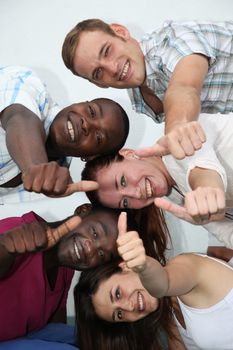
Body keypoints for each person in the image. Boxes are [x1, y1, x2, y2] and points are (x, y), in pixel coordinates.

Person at [62, 18, 233, 159]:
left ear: (120, 32)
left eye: (107, 51)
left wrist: (176, 126)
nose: (112, 68)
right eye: (98, 72)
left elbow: (184, 87)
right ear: (99, 84)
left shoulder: (170, 42)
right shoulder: (139, 98)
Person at [75, 212, 233, 349]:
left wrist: (143, 265)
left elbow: (164, 282)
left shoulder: (185, 267)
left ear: (125, 266)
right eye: (119, 314)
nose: (129, 307)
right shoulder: (172, 317)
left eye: (117, 294)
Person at [81, 111, 233, 250]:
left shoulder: (179, 136)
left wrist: (207, 189)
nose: (135, 194)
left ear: (128, 154)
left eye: (122, 181)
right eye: (125, 202)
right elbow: (227, 233)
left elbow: (202, 170)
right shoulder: (175, 198)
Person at [0, 203, 138, 348]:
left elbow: (56, 325)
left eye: (102, 254)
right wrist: (5, 248)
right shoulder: (23, 234)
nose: (90, 248)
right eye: (94, 232)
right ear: (83, 210)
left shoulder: (64, 273)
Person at [0, 65, 129, 204]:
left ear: (89, 156)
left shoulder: (57, 181)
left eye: (98, 137)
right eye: (91, 111)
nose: (87, 124)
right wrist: (35, 166)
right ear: (81, 103)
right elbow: (20, 117)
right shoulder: (30, 85)